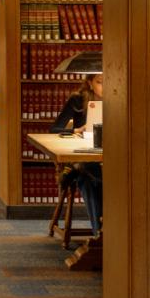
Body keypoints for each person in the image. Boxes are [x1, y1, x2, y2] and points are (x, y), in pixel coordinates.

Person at [50, 73, 103, 236]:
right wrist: (76, 130)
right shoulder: (77, 100)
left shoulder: (119, 97)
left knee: (91, 178)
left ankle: (102, 232)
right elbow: (55, 129)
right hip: (79, 157)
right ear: (89, 82)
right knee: (90, 175)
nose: (105, 87)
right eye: (100, 82)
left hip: (106, 156)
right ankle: (100, 233)